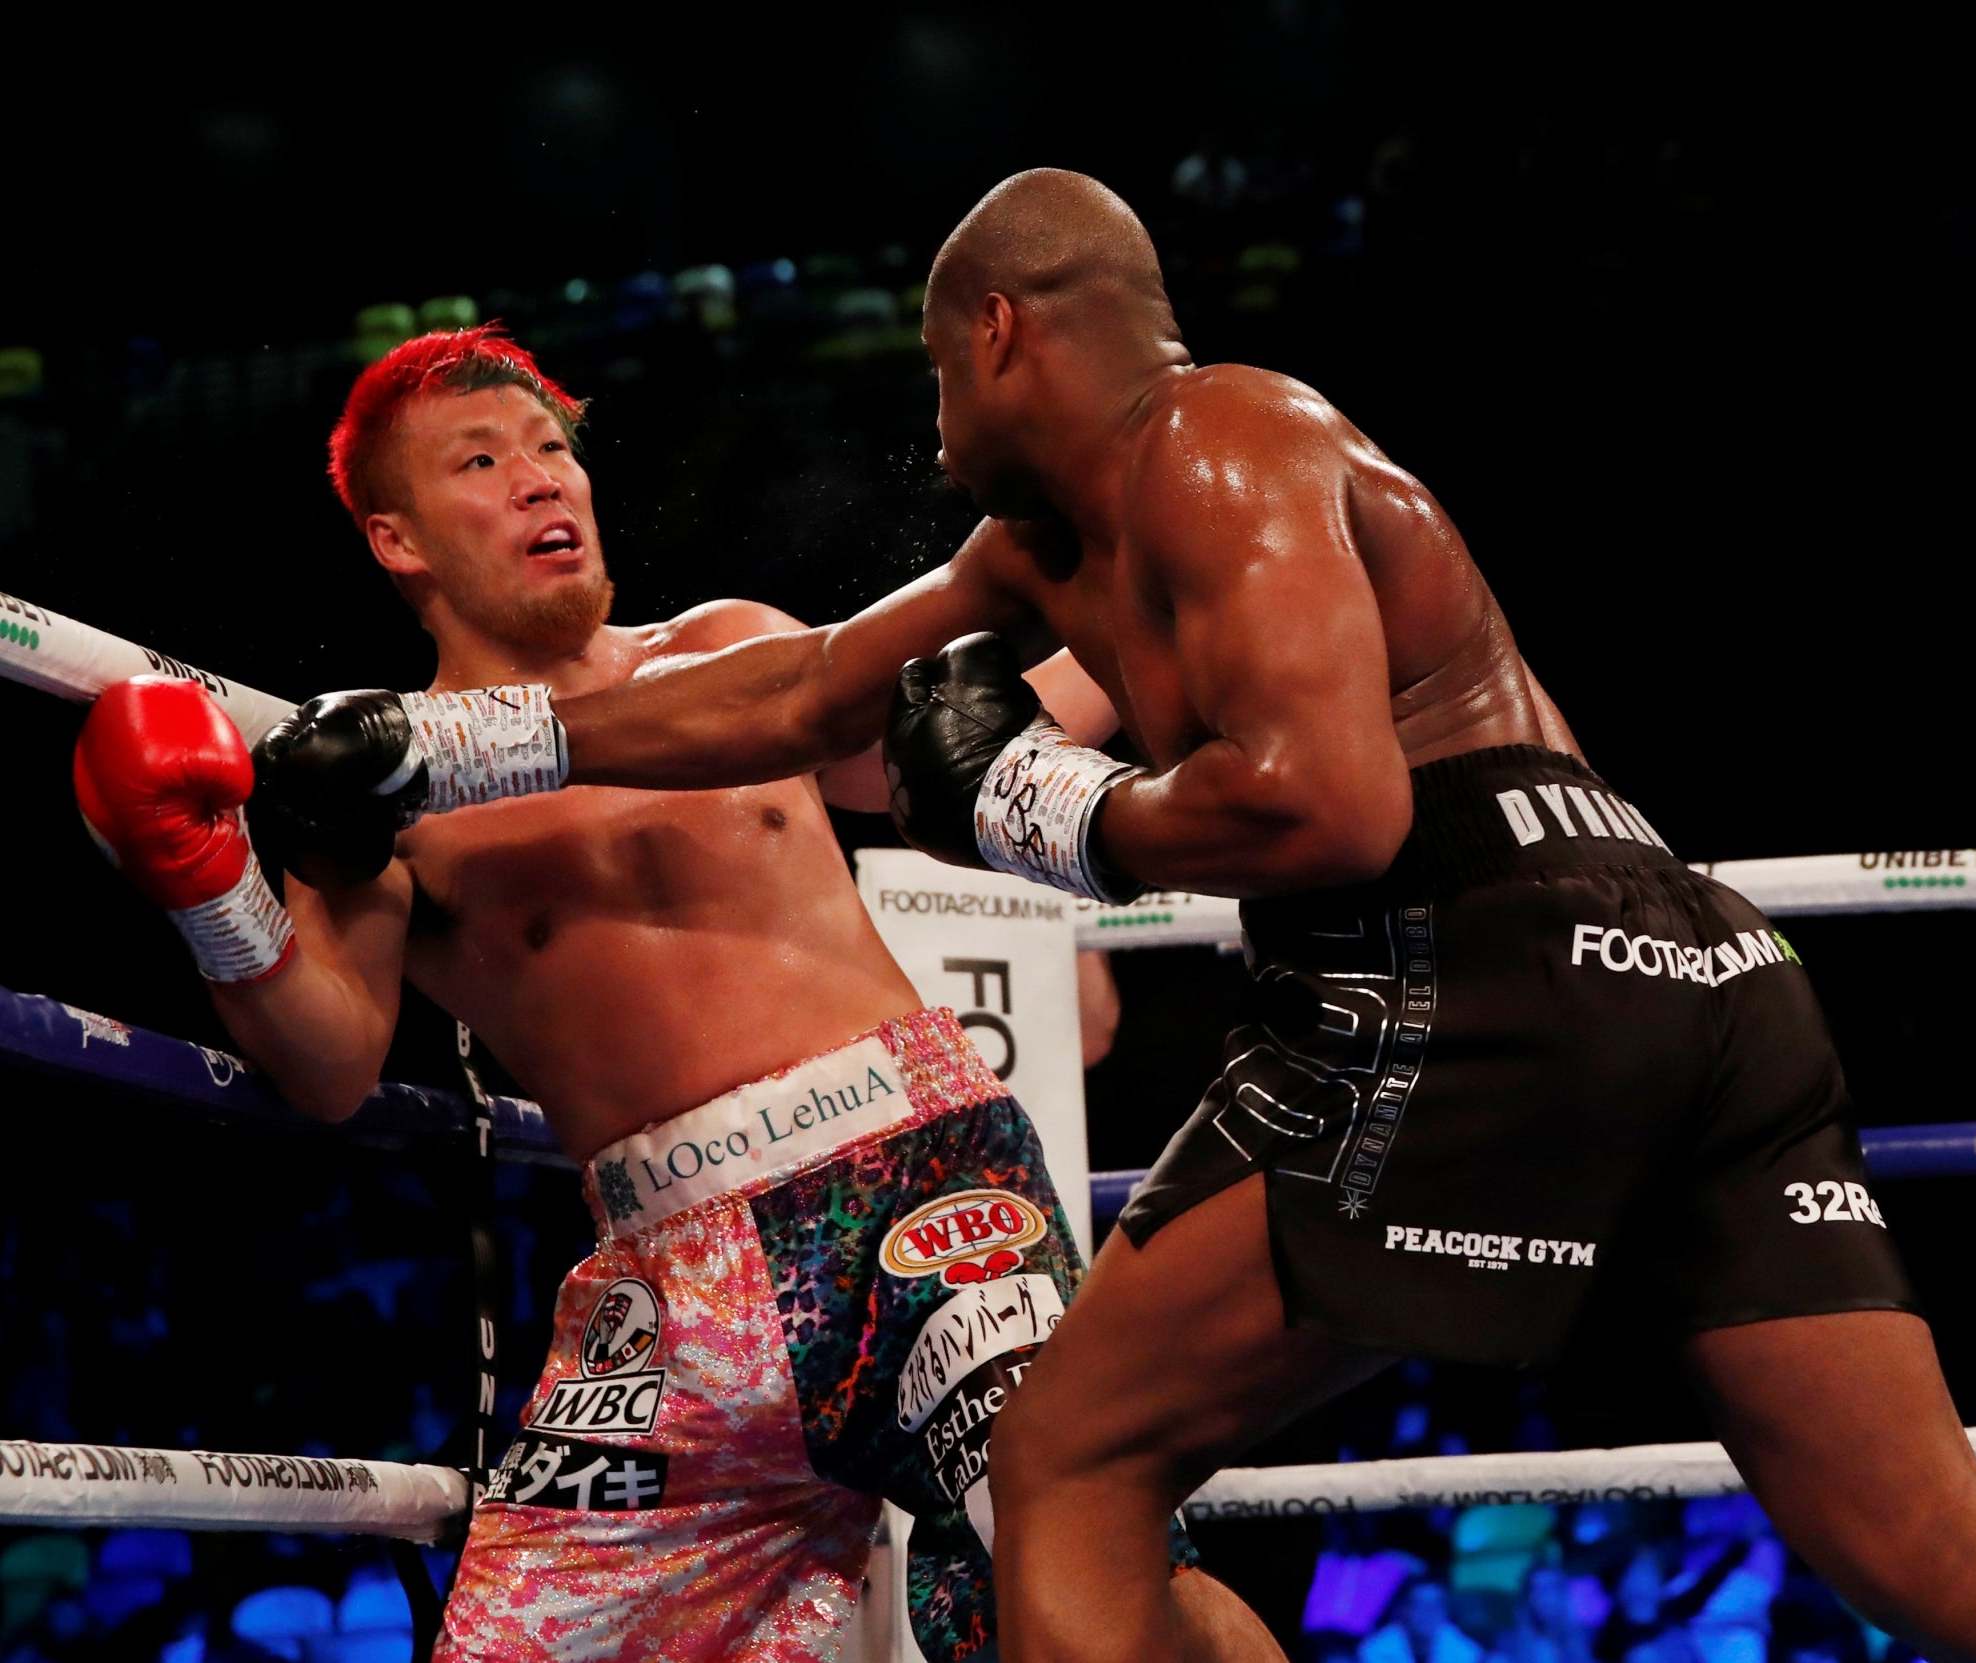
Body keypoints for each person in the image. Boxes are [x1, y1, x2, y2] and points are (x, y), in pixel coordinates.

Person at [249, 174, 1976, 1662]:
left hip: (1466, 959)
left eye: (936, 368)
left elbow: (1331, 798)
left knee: (1071, 1464)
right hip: (1686, 958)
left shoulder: (1211, 435)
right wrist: (441, 756)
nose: (927, 418)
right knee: (1928, 1551)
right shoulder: (1061, 534)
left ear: (1007, 333)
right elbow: (803, 696)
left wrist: (1035, 800)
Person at [71, 325, 1261, 1662]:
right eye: (483, 461)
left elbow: (948, 757)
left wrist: (1154, 601)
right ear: (399, 540)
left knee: (1085, 1577)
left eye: (550, 452)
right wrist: (203, 887)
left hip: (926, 1191)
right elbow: (331, 1058)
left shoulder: (732, 654)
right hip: (669, 1290)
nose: (542, 482)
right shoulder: (390, 803)